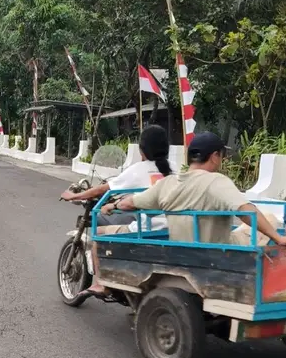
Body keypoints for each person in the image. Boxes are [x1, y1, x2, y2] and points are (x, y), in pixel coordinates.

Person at [115, 131, 286, 248]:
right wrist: (278, 238)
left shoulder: (166, 183)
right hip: (222, 251)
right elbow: (246, 211)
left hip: (183, 250)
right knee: (269, 218)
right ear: (214, 157)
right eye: (221, 156)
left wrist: (113, 205)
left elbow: (129, 204)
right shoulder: (216, 181)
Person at [61, 125, 173, 297]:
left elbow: (103, 189)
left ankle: (100, 284)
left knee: (98, 234)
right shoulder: (172, 170)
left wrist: (73, 196)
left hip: (147, 230)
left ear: (142, 150)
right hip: (170, 228)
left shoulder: (138, 170)